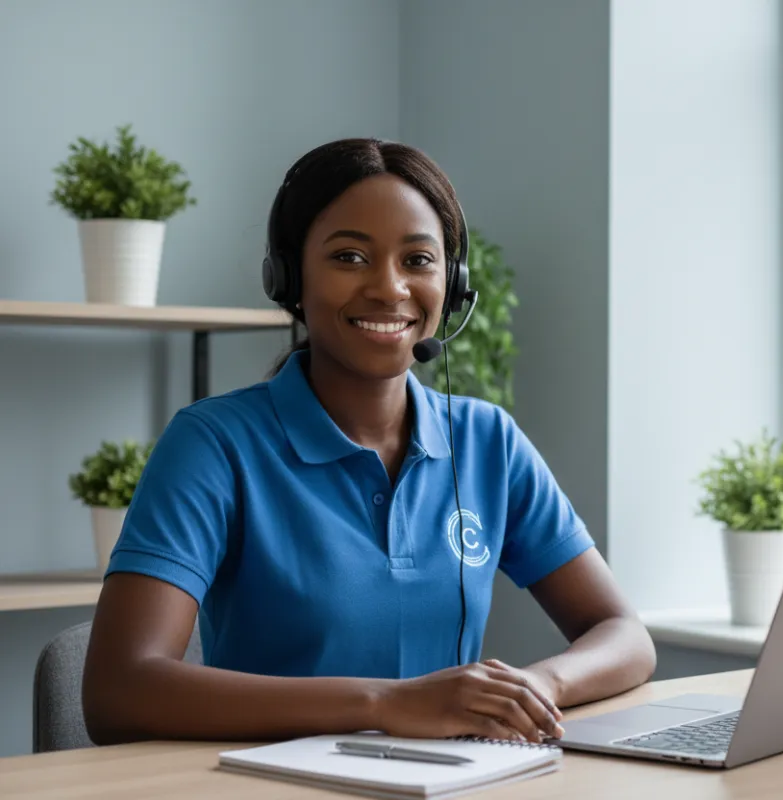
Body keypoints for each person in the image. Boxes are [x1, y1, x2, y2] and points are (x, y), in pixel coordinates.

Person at [81, 138, 656, 747]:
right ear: (289, 277)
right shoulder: (214, 444)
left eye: (418, 260)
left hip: (451, 784)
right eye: (350, 257)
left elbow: (624, 634)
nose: (390, 288)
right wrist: (385, 703)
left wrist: (536, 687)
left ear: (453, 283)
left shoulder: (488, 441)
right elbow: (119, 690)